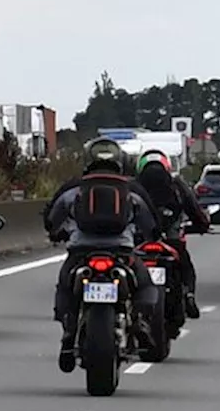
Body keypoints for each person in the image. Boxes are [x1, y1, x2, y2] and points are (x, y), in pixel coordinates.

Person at [46, 140, 161, 373]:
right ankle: (138, 321)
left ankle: (69, 333)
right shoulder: (132, 188)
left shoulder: (75, 187)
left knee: (65, 286)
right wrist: (148, 235)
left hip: (81, 251)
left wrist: (55, 231)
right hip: (121, 251)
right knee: (145, 284)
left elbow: (52, 216)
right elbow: (151, 223)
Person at [133, 149, 210, 319]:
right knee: (186, 267)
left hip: (139, 241)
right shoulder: (176, 184)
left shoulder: (134, 186)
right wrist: (202, 224)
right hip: (171, 241)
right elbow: (193, 208)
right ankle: (189, 295)